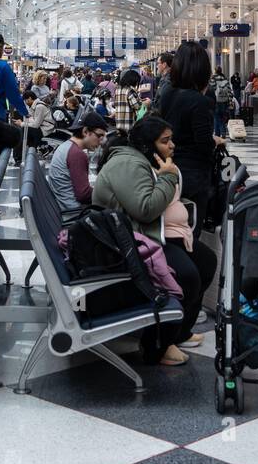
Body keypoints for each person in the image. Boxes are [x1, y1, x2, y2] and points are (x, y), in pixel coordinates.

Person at [92, 116, 215, 366]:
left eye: (171, 140)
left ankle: (179, 332)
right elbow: (145, 209)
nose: (172, 146)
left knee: (206, 261)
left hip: (144, 235)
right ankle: (156, 345)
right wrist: (169, 178)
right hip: (126, 244)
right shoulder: (127, 164)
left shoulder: (140, 161)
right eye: (165, 141)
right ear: (148, 144)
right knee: (187, 276)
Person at [157, 41, 220, 232]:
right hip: (193, 176)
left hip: (167, 170)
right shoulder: (200, 101)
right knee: (191, 230)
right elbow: (203, 145)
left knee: (171, 229)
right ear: (202, 69)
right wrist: (214, 142)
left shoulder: (167, 94)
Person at [46, 111, 107, 212]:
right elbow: (84, 195)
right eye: (99, 136)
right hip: (74, 211)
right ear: (85, 131)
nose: (101, 142)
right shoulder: (77, 154)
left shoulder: (65, 146)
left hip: (62, 205)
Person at [109, 68, 144, 133]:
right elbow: (137, 106)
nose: (136, 84)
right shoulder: (130, 90)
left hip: (119, 125)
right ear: (132, 81)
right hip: (129, 126)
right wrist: (145, 103)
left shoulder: (118, 90)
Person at [210, 65, 234, 137]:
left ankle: (222, 132)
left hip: (216, 101)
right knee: (222, 117)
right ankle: (217, 134)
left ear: (215, 70)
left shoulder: (213, 78)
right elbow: (229, 91)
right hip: (224, 101)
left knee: (217, 117)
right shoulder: (225, 79)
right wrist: (230, 102)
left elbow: (211, 90)